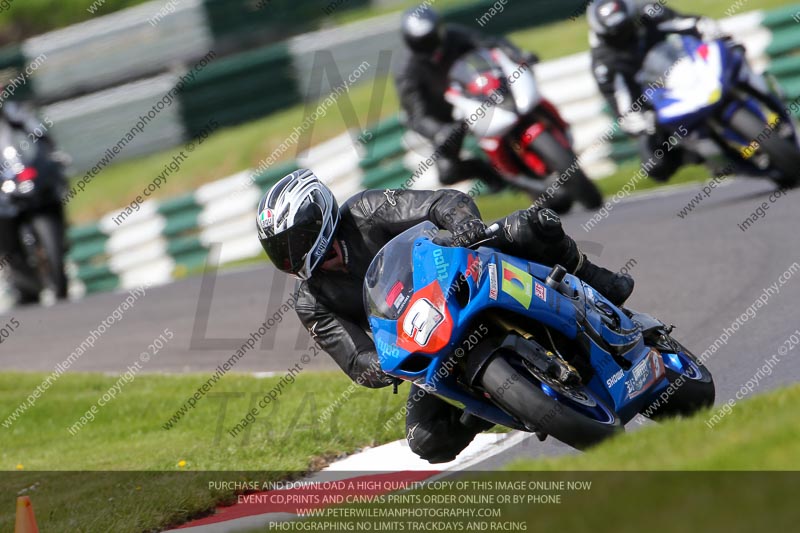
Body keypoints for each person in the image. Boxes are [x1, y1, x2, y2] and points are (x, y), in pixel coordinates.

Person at [256, 168, 634, 463]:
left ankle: (595, 279)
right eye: (278, 250)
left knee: (528, 224)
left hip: (460, 277)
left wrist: (462, 225)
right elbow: (355, 359)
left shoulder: (366, 209)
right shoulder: (310, 299)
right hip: (425, 341)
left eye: (292, 242)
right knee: (427, 440)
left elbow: (442, 201)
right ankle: (498, 401)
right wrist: (387, 363)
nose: (288, 257)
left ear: (316, 219)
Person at [393, 5, 536, 192]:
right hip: (446, 118)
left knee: (514, 97)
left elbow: (490, 42)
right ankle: (491, 173)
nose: (429, 46)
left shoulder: (453, 35)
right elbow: (417, 115)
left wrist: (516, 53)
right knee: (448, 172)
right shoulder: (406, 70)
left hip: (476, 92)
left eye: (431, 38)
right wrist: (440, 131)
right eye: (422, 42)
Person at [587, 0, 726, 182]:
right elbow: (616, 101)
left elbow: (686, 22)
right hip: (654, 98)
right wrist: (638, 121)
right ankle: (702, 155)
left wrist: (711, 33)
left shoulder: (649, 11)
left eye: (627, 28)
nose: (625, 37)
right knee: (654, 164)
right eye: (617, 35)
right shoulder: (603, 62)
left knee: (731, 54)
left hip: (685, 64)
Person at [0, 100, 66, 304]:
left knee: (55, 186)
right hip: (3, 186)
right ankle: (16, 270)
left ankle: (60, 244)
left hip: (26, 174)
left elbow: (38, 131)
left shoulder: (14, 111)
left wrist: (49, 154)